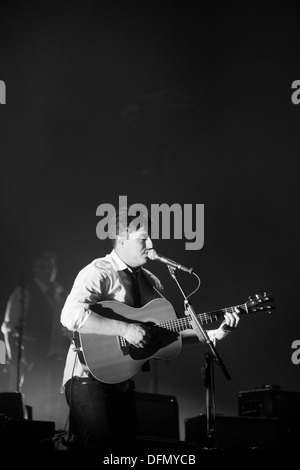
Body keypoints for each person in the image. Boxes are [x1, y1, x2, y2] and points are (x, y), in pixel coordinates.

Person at [60, 208, 240, 453]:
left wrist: (218, 333)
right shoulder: (99, 271)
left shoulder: (151, 281)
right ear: (122, 239)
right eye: (143, 239)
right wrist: (125, 329)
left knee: (125, 454)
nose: (151, 244)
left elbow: (168, 333)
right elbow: (70, 315)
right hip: (86, 379)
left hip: (122, 382)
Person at [1, 251, 70, 429]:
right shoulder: (25, 291)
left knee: (55, 403)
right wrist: (14, 358)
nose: (48, 270)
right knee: (31, 401)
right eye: (43, 265)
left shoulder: (60, 293)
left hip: (58, 359)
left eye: (51, 266)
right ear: (34, 268)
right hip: (33, 359)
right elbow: (8, 327)